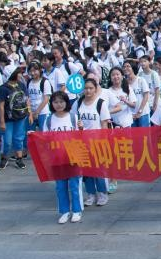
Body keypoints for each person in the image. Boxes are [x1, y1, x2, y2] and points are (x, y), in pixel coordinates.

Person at [41, 91, 84, 223]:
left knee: (74, 184)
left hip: (73, 154)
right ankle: (64, 211)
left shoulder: (73, 117)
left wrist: (81, 129)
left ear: (66, 102)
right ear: (51, 104)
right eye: (55, 102)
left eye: (61, 101)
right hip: (57, 156)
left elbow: (81, 137)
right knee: (60, 186)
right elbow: (44, 138)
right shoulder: (49, 120)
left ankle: (76, 210)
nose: (59, 105)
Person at [76, 77, 111, 206]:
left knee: (99, 169)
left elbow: (104, 124)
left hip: (96, 141)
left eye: (91, 88)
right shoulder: (78, 103)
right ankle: (90, 194)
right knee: (86, 170)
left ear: (96, 89)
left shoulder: (100, 103)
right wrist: (78, 125)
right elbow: (74, 120)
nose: (88, 91)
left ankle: (102, 193)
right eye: (86, 88)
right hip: (82, 142)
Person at [0, 68, 30, 170]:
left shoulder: (21, 85)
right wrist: (2, 121)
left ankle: (19, 158)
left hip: (21, 117)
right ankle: (4, 158)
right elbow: (1, 106)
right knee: (7, 141)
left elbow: (27, 100)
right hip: (8, 119)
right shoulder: (2, 88)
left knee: (19, 138)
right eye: (18, 73)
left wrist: (30, 113)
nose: (21, 75)